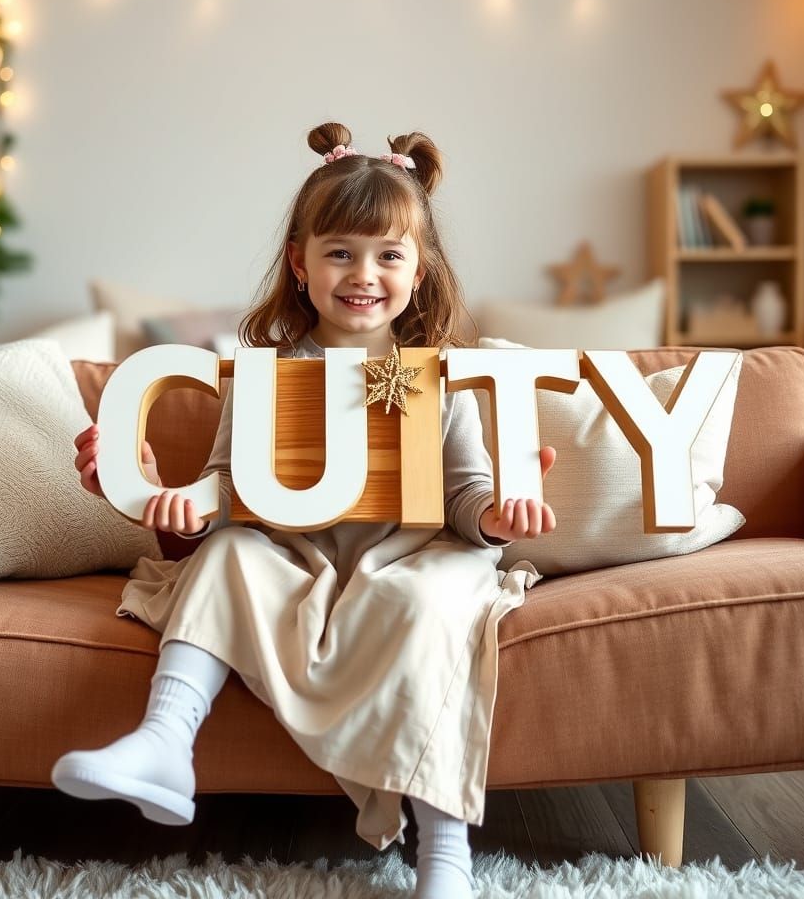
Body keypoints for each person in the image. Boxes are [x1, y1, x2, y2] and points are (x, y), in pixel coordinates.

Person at [52, 122, 556, 898]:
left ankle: (443, 852)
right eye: (341, 252)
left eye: (390, 255)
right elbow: (228, 487)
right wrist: (172, 495)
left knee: (434, 598)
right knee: (229, 555)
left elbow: (463, 497)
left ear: (419, 272)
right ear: (300, 263)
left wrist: (496, 517)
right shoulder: (267, 376)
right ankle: (162, 743)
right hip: (301, 559)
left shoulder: (440, 378)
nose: (365, 273)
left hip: (412, 557)